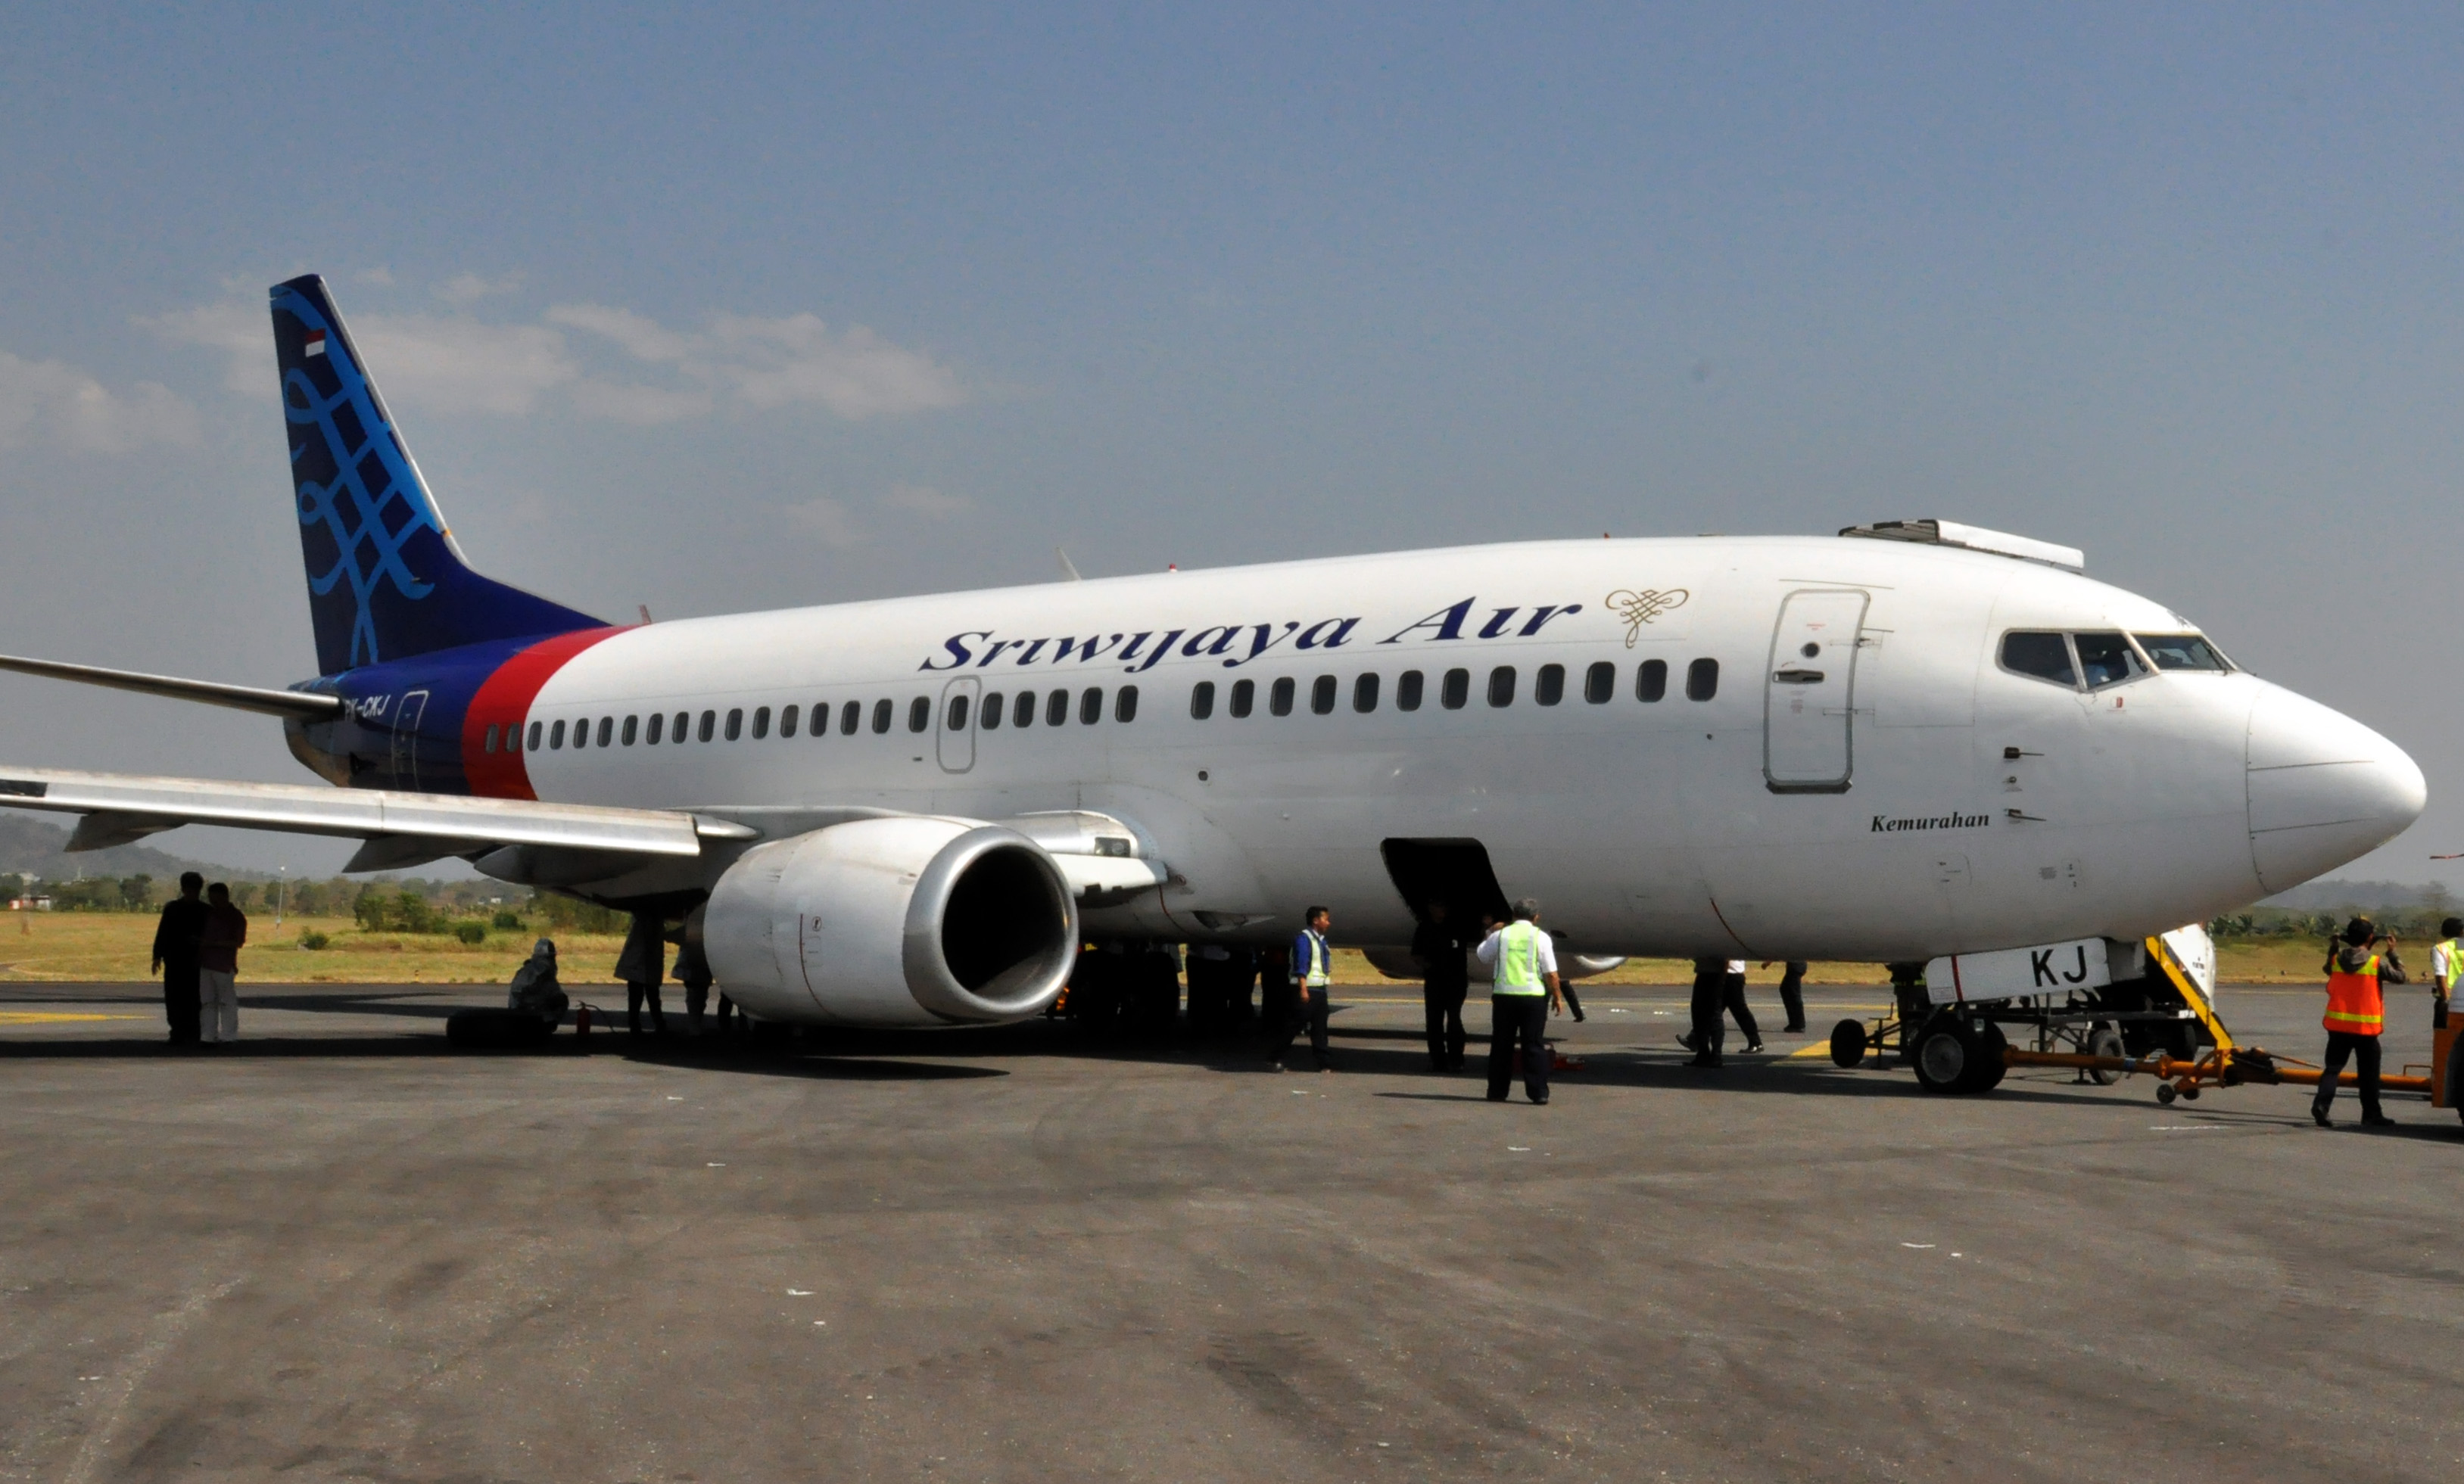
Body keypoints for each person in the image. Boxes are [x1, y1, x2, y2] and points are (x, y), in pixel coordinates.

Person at [2314, 917, 2403, 1128]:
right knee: (2369, 1074)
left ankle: (2321, 1105)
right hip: (2366, 1029)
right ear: (2371, 937)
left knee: (2333, 1069)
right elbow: (2401, 977)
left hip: (2338, 1026)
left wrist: (2334, 947)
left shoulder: (2336, 960)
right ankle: (2371, 1114)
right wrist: (2392, 953)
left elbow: (2328, 969)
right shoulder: (2376, 963)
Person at [1478, 898, 1564, 1103]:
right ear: (1536, 917)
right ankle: (1538, 1093)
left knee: (1501, 1045)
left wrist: (1489, 932)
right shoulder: (1540, 937)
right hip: (1533, 998)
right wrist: (1557, 997)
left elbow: (1482, 956)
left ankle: (1497, 1092)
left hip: (1504, 997)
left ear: (1514, 915)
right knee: (1533, 1045)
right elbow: (1551, 973)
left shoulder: (1501, 935)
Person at [149, 872, 209, 1046]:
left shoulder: (179, 909)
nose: (191, 893)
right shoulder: (200, 910)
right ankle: (179, 1032)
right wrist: (157, 956)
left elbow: (162, 933)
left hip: (194, 961)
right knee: (176, 997)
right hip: (177, 961)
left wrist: (157, 956)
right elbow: (162, 933)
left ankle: (190, 1032)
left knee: (192, 998)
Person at [1411, 901, 1471, 1072]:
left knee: (1454, 1019)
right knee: (1434, 1021)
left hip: (1456, 981)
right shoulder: (1425, 928)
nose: (1442, 910)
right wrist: (1428, 966)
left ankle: (1456, 1059)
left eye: (1444, 907)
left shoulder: (1456, 927)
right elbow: (1416, 954)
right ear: (1431, 909)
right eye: (1438, 907)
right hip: (1435, 980)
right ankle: (1438, 1060)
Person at [1273, 907, 1335, 1072]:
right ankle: (1275, 1056)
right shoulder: (1304, 939)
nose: (1328, 923)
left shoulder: (1321, 940)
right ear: (1316, 921)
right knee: (1294, 1025)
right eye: (1325, 919)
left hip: (1320, 989)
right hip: (1307, 989)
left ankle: (1324, 1063)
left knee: (1320, 1028)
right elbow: (1301, 965)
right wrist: (1303, 989)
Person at [197, 881, 248, 1044]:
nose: (212, 901)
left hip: (224, 966)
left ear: (224, 896)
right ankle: (207, 1035)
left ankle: (229, 1035)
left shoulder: (236, 917)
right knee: (207, 1002)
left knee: (226, 1002)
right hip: (206, 964)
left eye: (215, 898)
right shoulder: (209, 915)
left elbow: (238, 942)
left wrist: (212, 943)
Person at [616, 912, 668, 1036]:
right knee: (648, 996)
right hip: (642, 962)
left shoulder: (643, 920)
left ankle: (640, 1026)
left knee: (641, 997)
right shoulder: (651, 920)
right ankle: (656, 1025)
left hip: (641, 962)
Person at [507, 938, 568, 1025]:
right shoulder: (541, 972)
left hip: (520, 1014)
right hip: (527, 1016)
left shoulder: (526, 971)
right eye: (551, 958)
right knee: (561, 1000)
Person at [1681, 956, 1726, 1068]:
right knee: (1699, 1014)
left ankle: (1716, 1056)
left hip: (1714, 974)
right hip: (1704, 972)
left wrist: (1722, 976)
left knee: (1714, 1015)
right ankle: (1704, 1054)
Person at [1721, 958, 1765, 1053]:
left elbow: (1726, 957)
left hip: (1730, 976)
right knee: (1714, 1010)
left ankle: (1755, 1042)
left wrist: (1723, 975)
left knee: (1740, 1012)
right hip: (1733, 975)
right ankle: (1694, 1039)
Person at [2431, 916, 2462, 1030]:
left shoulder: (2440, 948)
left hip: (2449, 998)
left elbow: (2440, 976)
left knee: (2445, 1037)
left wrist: (2446, 1001)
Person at [1768, 960, 1809, 1034]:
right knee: (1786, 990)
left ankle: (1799, 1025)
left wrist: (1769, 962)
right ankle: (1794, 1023)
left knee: (1794, 994)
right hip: (1795, 967)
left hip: (1796, 967)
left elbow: (1780, 953)